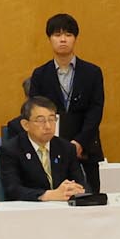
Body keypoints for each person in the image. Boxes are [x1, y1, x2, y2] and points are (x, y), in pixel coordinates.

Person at [24, 13, 105, 190]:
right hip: (51, 146)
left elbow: (95, 111)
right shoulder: (40, 74)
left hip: (86, 147)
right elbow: (36, 111)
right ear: (49, 39)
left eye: (68, 35)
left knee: (89, 197)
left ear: (75, 39)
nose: (63, 40)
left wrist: (79, 142)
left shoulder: (92, 72)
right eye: (57, 35)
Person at [0, 97, 88, 203]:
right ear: (25, 125)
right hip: (29, 211)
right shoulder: (10, 150)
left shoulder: (66, 148)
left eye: (52, 119)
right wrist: (47, 195)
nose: (48, 126)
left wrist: (75, 189)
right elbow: (12, 190)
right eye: (41, 120)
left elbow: (80, 183)